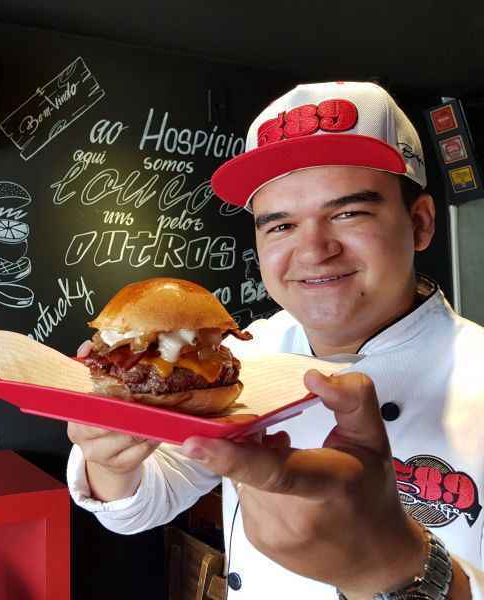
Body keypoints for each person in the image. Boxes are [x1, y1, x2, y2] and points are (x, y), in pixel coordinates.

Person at [66, 81, 484, 599]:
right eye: (280, 225)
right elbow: (144, 506)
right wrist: (111, 459)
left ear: (419, 224)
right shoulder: (240, 359)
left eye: (348, 212)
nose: (313, 251)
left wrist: (394, 568)